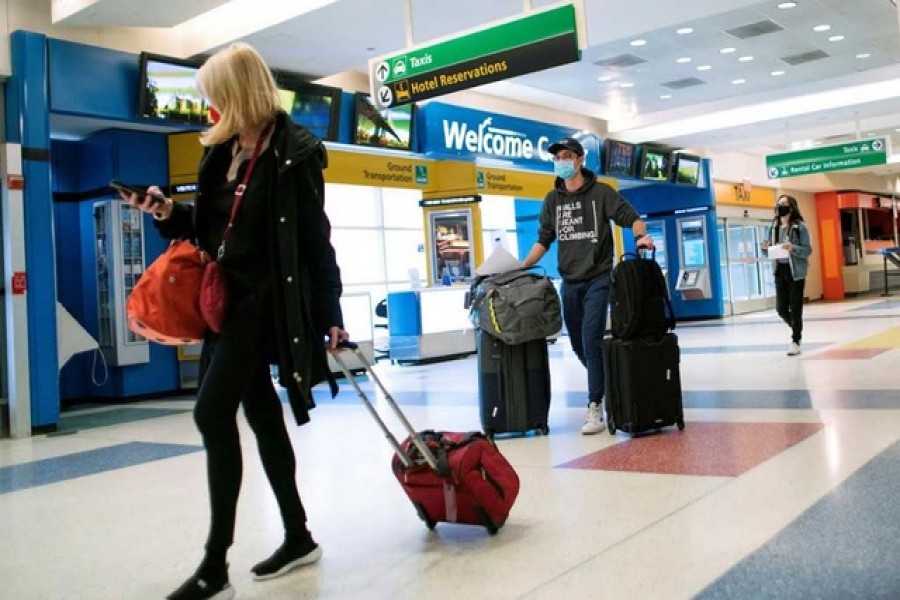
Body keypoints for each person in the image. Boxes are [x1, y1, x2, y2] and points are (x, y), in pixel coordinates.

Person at [122, 42, 348, 600]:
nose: (209, 108)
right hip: (222, 302)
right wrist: (169, 213)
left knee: (209, 412)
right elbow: (211, 231)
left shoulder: (294, 153)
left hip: (265, 303)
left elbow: (316, 241)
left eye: (214, 96)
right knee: (261, 415)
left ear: (236, 91)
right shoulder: (219, 153)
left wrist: (331, 313)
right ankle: (298, 536)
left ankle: (214, 565)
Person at [522, 138, 652, 435]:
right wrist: (522, 265)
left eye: (567, 156)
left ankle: (595, 406)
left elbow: (631, 218)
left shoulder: (601, 193)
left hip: (599, 276)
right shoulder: (552, 200)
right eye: (557, 157)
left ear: (580, 160)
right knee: (580, 345)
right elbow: (544, 239)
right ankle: (608, 381)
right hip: (569, 281)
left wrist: (641, 237)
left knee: (591, 338)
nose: (561, 161)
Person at [761, 194, 812, 356]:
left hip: (795, 272)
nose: (780, 206)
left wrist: (793, 248)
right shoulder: (773, 227)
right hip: (779, 270)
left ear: (791, 207)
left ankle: (795, 339)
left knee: (796, 307)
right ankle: (797, 327)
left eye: (783, 203)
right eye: (778, 203)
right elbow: (768, 251)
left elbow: (807, 250)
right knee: (781, 308)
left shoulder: (800, 227)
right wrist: (765, 248)